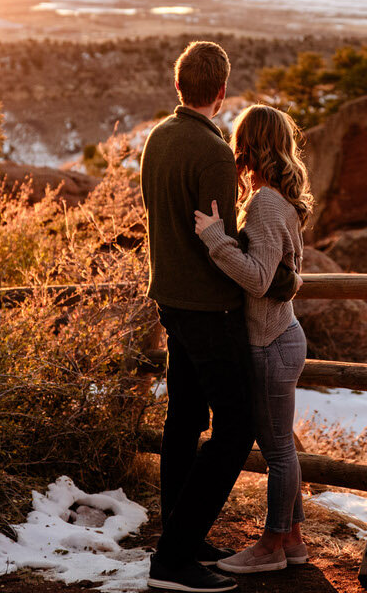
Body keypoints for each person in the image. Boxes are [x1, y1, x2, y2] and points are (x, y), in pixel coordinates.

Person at [140, 42, 299, 593]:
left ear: (179, 85)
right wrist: (283, 279)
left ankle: (181, 539)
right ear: (222, 90)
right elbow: (223, 243)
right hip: (210, 309)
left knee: (184, 419)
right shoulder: (212, 153)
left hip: (172, 302)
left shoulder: (157, 138)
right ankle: (174, 559)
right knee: (234, 429)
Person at [194, 103, 313, 574]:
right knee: (283, 445)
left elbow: (260, 279)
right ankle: (295, 542)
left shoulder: (264, 203)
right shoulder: (278, 199)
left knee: (278, 451)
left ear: (250, 145)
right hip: (282, 336)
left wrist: (216, 239)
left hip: (271, 342)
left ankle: (270, 547)